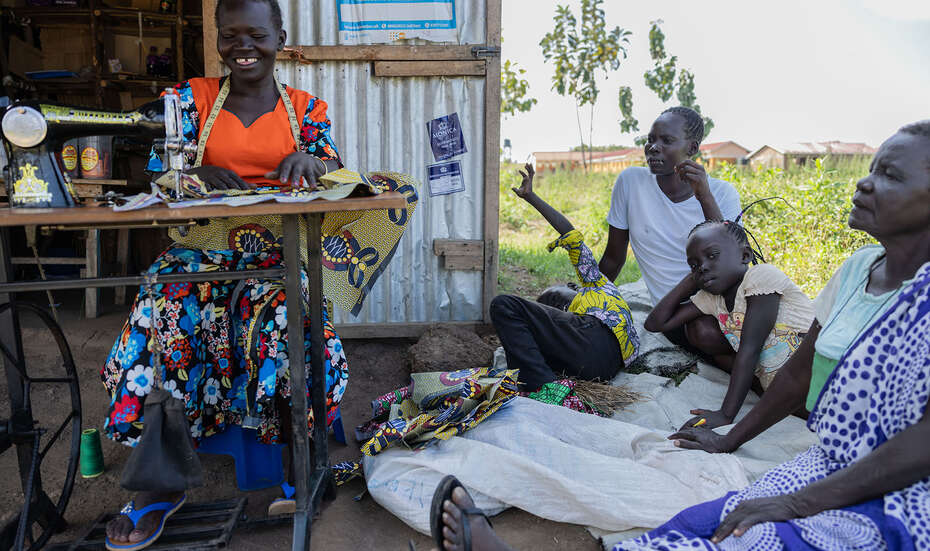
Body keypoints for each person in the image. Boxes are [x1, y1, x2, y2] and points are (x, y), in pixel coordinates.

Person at [430, 121, 930, 551]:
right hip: (829, 457)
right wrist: (729, 437)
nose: (863, 184)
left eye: (888, 174)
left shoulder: (607, 292)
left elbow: (719, 269)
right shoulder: (861, 266)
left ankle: (548, 392)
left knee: (750, 535)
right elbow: (794, 371)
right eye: (871, 169)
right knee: (697, 522)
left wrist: (785, 490)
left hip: (892, 493)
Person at [100, 0, 416, 548]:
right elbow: (159, 176)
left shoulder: (306, 109)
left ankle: (296, 466)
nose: (242, 46)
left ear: (279, 37)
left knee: (280, 318)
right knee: (161, 306)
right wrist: (191, 170)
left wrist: (312, 163)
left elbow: (334, 174)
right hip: (199, 251)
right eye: (230, 35)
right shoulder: (189, 101)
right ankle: (158, 485)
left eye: (256, 34)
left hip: (276, 255)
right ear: (219, 40)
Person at [643, 216, 815, 430]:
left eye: (712, 256)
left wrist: (725, 415)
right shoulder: (712, 298)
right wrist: (691, 280)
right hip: (785, 391)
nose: (703, 267)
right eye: (694, 264)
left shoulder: (762, 277)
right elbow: (655, 323)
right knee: (815, 418)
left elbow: (750, 349)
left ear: (745, 255)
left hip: (818, 377)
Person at [597, 107, 741, 352]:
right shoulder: (631, 183)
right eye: (651, 139)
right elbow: (613, 258)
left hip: (719, 298)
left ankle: (769, 373)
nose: (653, 147)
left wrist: (703, 196)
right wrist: (590, 296)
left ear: (692, 148)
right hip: (672, 310)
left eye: (667, 140)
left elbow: (731, 259)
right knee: (704, 332)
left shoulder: (721, 193)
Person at [489, 163, 639, 393]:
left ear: (573, 287)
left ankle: (544, 388)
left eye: (556, 299)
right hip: (594, 368)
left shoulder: (596, 285)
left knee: (503, 304)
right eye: (556, 308)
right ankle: (541, 387)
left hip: (597, 340)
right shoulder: (571, 327)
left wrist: (532, 198)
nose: (559, 307)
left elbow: (570, 235)